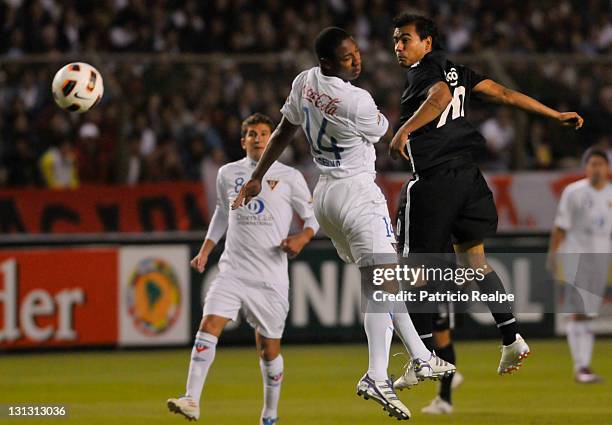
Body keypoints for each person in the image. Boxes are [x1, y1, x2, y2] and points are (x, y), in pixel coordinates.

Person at [232, 27, 455, 421]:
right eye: (348, 57)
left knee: (384, 280)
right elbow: (389, 136)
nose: (357, 60)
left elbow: (285, 128)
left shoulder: (304, 82)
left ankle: (421, 357)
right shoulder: (357, 101)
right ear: (327, 63)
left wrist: (257, 175)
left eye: (356, 53)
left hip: (326, 196)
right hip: (356, 192)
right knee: (382, 282)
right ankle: (376, 373)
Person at [388, 13, 584, 382]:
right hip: (469, 178)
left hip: (435, 180)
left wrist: (404, 131)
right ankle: (511, 336)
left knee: (413, 270)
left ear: (427, 43)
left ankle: (426, 358)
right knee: (474, 262)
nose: (398, 46)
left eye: (406, 39)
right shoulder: (457, 70)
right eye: (396, 40)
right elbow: (505, 94)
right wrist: (553, 114)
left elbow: (439, 96)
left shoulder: (425, 73)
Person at [167, 113, 319, 424]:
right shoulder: (227, 173)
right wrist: (206, 250)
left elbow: (313, 218)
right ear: (243, 141)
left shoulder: (289, 176)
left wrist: (302, 238)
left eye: (264, 133)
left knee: (268, 350)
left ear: (273, 139)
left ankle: (270, 414)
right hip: (232, 272)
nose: (258, 138)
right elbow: (223, 213)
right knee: (208, 325)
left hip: (271, 279)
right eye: (252, 134)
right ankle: (191, 399)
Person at [548, 148, 611, 383]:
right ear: (586, 167)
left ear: (607, 168)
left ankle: (585, 366)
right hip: (576, 258)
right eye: (592, 164)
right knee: (578, 312)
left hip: (601, 260)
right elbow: (560, 227)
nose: (596, 168)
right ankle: (581, 366)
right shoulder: (573, 192)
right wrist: (553, 255)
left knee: (589, 314)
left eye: (600, 164)